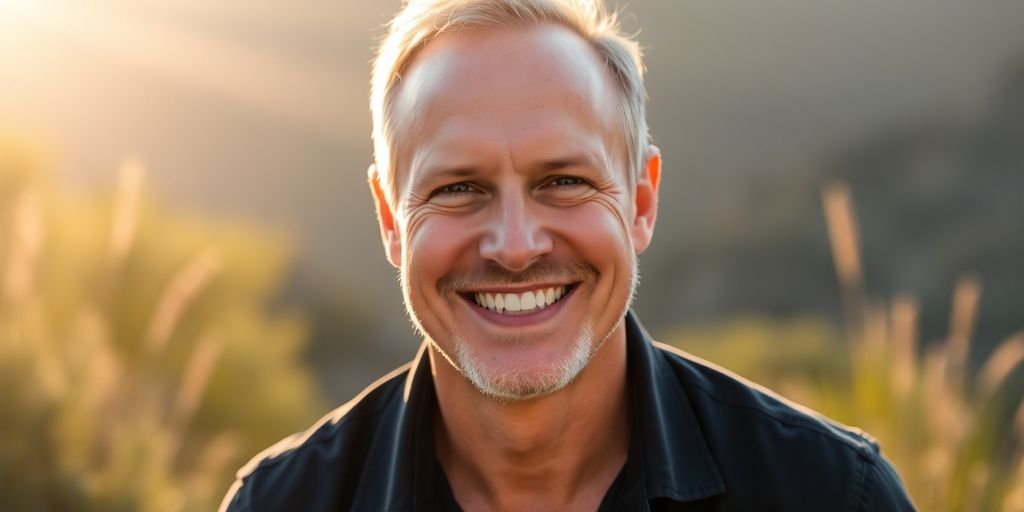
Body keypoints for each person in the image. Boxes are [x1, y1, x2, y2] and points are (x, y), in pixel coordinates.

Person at [220, 0, 916, 510]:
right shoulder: (281, 505)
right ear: (390, 220)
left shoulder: (828, 495)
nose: (516, 247)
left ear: (642, 201)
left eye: (564, 182)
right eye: (459, 188)